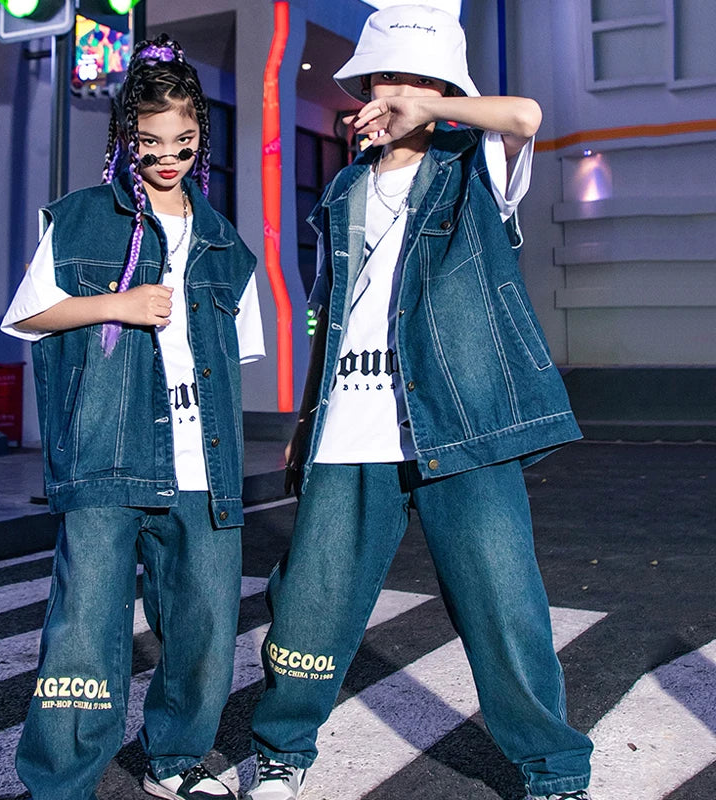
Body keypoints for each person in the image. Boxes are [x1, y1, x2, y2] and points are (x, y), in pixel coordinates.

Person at [244, 5, 593, 800]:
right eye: (387, 77)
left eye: (418, 79)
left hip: (460, 425)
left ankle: (554, 768)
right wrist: (306, 419)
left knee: (504, 605)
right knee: (310, 604)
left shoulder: (474, 169)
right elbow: (332, 312)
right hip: (349, 427)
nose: (397, 91)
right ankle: (282, 752)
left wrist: (428, 105)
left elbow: (526, 116)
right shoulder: (343, 188)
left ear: (443, 90)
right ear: (366, 83)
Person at [1, 34, 264, 800]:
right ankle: (59, 785)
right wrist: (116, 304)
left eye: (183, 142)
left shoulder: (226, 247)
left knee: (204, 627)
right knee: (84, 633)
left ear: (200, 135)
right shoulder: (82, 219)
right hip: (107, 454)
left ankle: (176, 761)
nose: (168, 157)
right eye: (150, 143)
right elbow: (29, 315)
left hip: (201, 465)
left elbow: (233, 367)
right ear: (126, 137)